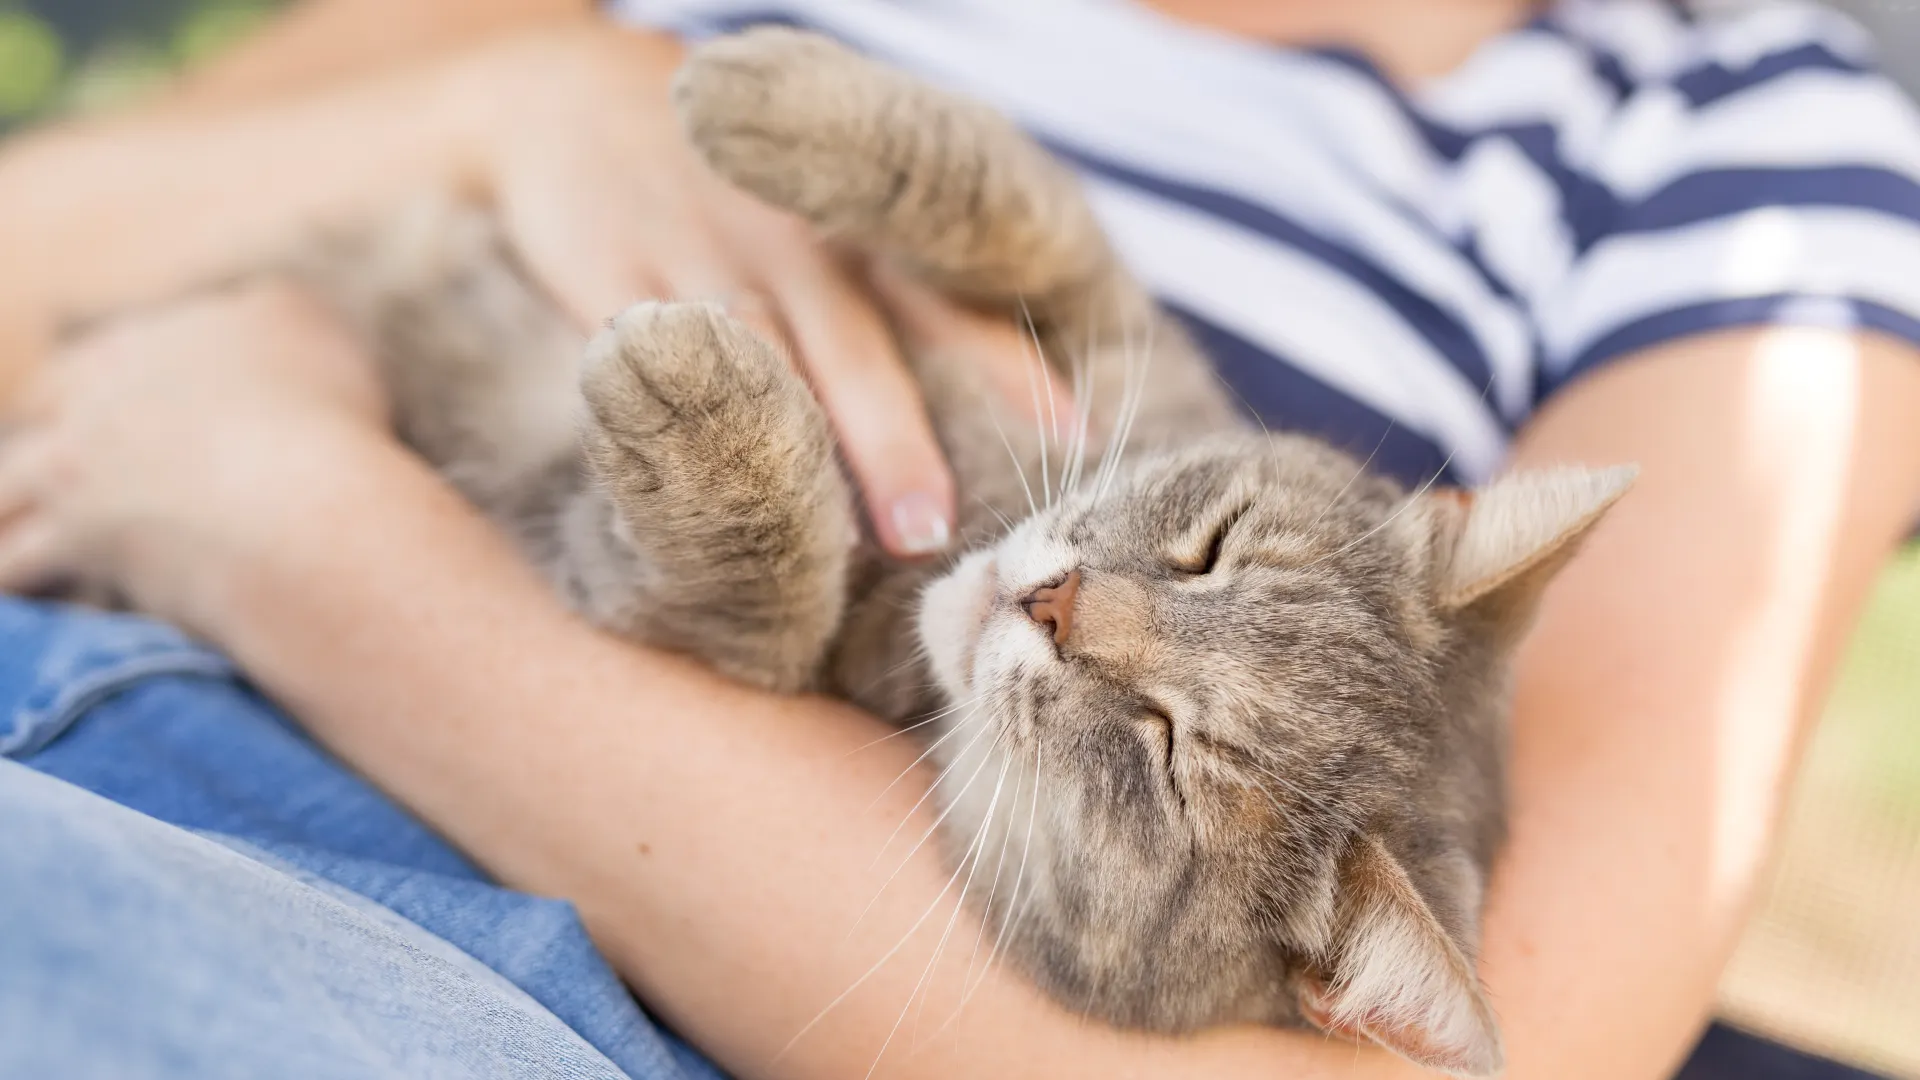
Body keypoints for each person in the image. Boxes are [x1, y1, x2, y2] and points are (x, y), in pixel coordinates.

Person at [3, 1, 1920, 1077]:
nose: (1090, 612)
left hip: (456, 955)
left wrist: (293, 533)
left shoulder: (1731, 153)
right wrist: (506, 100)